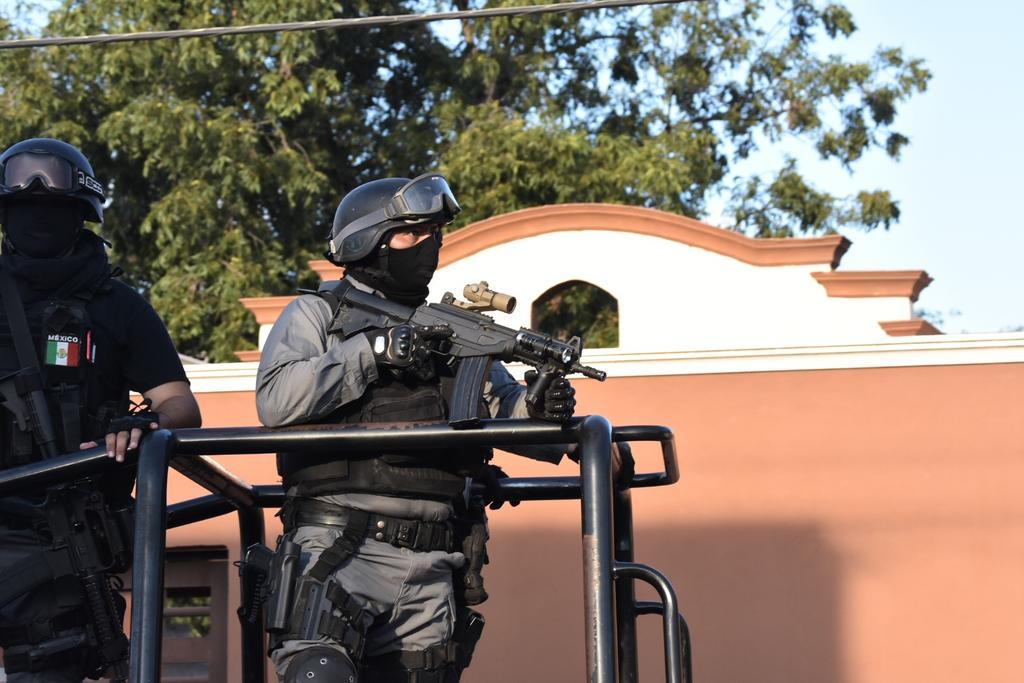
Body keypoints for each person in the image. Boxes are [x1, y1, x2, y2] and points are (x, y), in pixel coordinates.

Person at [254, 173, 577, 682]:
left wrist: (542, 408)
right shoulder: (319, 314)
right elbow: (276, 401)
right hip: (341, 545)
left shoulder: (453, 331)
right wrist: (372, 351)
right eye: (412, 232)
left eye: (435, 232)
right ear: (370, 241)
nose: (430, 244)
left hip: (434, 560)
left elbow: (506, 410)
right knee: (319, 672)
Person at [0, 138, 202, 682]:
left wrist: (144, 426)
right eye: (23, 208)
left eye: (53, 209)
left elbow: (180, 405)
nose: (37, 220)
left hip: (64, 528)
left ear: (81, 215)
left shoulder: (118, 305)